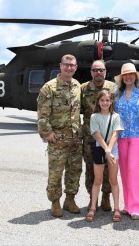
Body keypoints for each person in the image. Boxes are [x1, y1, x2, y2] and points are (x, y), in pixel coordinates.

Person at [37, 54, 82, 218]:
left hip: (75, 138)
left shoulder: (77, 86)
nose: (69, 68)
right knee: (56, 172)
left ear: (76, 67)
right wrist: (47, 133)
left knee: (75, 170)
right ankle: (55, 202)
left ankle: (70, 200)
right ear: (60, 66)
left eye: (72, 65)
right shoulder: (49, 88)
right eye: (66, 65)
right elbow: (42, 115)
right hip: (57, 139)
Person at [81, 60, 117, 211]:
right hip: (90, 138)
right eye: (95, 70)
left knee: (109, 168)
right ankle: (92, 199)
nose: (98, 73)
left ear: (105, 71)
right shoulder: (83, 89)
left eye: (101, 70)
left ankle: (106, 198)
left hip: (109, 139)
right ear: (91, 72)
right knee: (91, 169)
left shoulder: (113, 88)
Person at [114, 63, 139, 220]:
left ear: (135, 77)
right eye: (125, 75)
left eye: (131, 75)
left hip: (138, 135)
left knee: (134, 170)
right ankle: (127, 205)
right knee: (125, 171)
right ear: (121, 78)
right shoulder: (117, 95)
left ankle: (137, 207)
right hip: (121, 136)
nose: (128, 77)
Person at [85, 90, 124, 222]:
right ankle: (93, 207)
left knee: (113, 180)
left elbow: (115, 134)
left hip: (113, 150)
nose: (105, 103)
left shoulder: (116, 116)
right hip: (100, 148)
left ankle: (117, 208)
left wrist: (109, 150)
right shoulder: (94, 116)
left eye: (108, 100)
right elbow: (96, 134)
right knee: (98, 180)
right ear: (98, 102)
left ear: (111, 101)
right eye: (102, 100)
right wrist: (106, 150)